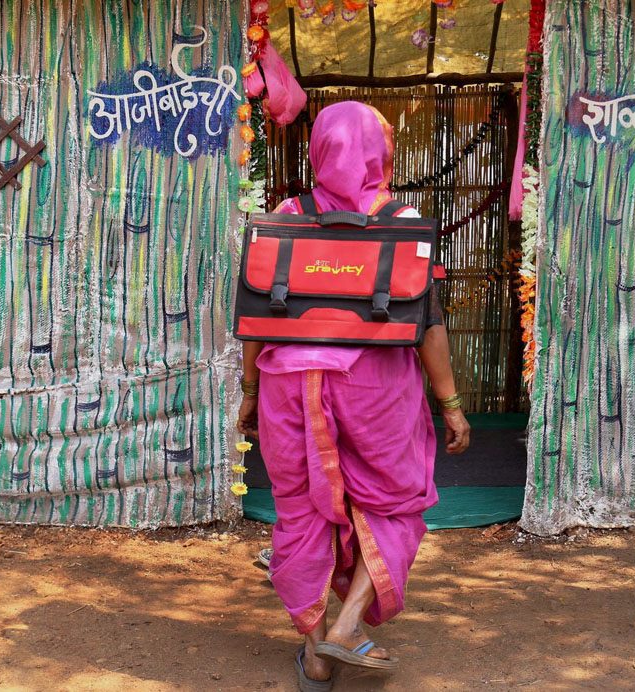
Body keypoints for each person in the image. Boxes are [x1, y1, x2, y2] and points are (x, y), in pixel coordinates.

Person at [236, 101, 471, 690]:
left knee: (300, 508)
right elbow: (430, 323)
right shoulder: (401, 219)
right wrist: (449, 403)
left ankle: (317, 655)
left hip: (289, 383)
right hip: (375, 385)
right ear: (379, 153)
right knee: (394, 499)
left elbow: (257, 317)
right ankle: (346, 626)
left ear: (318, 149)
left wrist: (248, 390)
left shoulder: (287, 214)